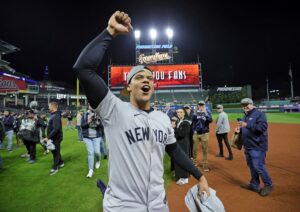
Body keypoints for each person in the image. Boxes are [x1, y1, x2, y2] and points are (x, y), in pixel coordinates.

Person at [73, 11, 209, 211]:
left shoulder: (162, 119)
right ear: (128, 87)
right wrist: (110, 31)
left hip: (158, 205)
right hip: (122, 207)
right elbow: (83, 69)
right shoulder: (113, 109)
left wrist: (200, 176)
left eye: (149, 78)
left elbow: (174, 150)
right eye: (138, 77)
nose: (145, 80)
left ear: (154, 87)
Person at [236, 98, 273, 196]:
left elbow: (262, 128)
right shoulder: (245, 115)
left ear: (252, 104)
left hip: (257, 146)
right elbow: (246, 128)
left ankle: (268, 185)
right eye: (243, 105)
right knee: (252, 166)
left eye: (247, 104)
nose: (245, 106)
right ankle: (254, 185)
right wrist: (239, 130)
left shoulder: (259, 114)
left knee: (258, 166)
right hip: (248, 145)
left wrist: (246, 125)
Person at [81, 107, 104, 178]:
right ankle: (90, 170)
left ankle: (98, 160)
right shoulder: (85, 114)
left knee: (97, 152)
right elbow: (82, 126)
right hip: (87, 137)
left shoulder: (99, 113)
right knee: (90, 153)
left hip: (96, 137)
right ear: (89, 105)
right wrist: (88, 121)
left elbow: (103, 125)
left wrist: (98, 123)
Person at [192, 101, 212, 172]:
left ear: (204, 105)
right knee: (194, 149)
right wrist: (194, 130)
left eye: (202, 105)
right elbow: (193, 122)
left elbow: (210, 120)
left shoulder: (208, 112)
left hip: (204, 133)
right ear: (198, 105)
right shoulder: (195, 113)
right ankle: (194, 162)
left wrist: (205, 113)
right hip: (196, 133)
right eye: (200, 105)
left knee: (205, 149)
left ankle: (205, 164)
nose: (201, 106)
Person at [174, 107, 192, 185]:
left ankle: (185, 178)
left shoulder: (186, 122)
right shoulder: (179, 121)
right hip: (179, 144)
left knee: (184, 161)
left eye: (181, 112)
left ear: (184, 113)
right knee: (179, 161)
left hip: (184, 145)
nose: (179, 114)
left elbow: (182, 134)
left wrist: (174, 129)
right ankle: (181, 176)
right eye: (178, 112)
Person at [45, 102, 64, 175]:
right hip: (54, 137)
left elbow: (56, 128)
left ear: (53, 107)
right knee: (56, 151)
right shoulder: (54, 115)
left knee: (55, 152)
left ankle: (55, 168)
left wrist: (48, 137)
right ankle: (61, 162)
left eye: (49, 106)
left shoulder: (56, 115)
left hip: (56, 137)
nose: (48, 107)